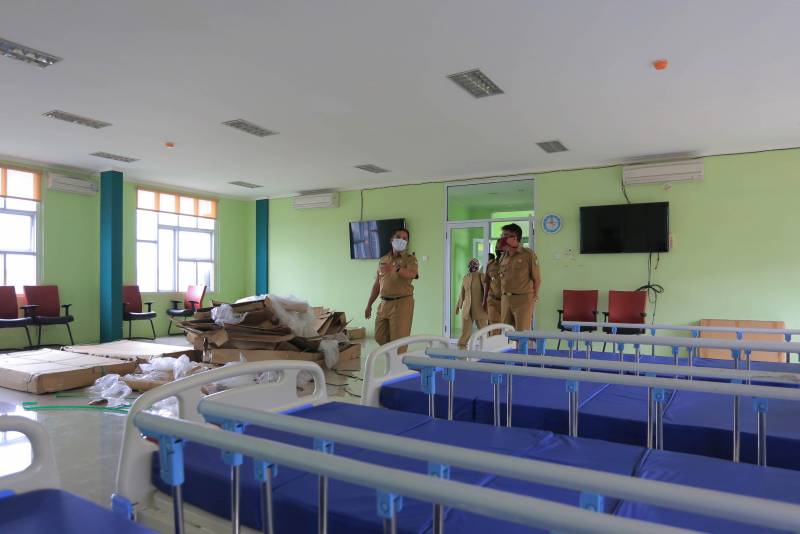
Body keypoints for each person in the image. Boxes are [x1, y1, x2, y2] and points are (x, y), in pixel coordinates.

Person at [365, 228, 418, 352]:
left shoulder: (410, 259)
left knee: (399, 343)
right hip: (384, 304)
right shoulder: (383, 260)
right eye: (398, 237)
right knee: (379, 337)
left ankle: (399, 360)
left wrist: (396, 268)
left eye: (404, 238)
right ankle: (395, 356)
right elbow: (377, 284)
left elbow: (413, 274)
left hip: (402, 304)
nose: (401, 240)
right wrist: (369, 305)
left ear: (407, 242)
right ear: (392, 240)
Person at [498, 223, 541, 331]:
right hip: (506, 299)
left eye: (505, 235)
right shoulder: (503, 256)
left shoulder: (528, 254)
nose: (502, 238)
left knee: (522, 332)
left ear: (515, 238)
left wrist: (534, 298)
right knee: (506, 332)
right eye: (502, 235)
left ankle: (524, 344)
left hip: (523, 299)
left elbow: (537, 279)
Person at [455, 258, 488, 348]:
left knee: (484, 331)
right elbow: (462, 293)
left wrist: (487, 305)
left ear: (478, 266)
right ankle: (461, 347)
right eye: (471, 264)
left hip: (479, 308)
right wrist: (458, 306)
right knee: (465, 332)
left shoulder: (482, 276)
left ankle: (488, 347)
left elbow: (487, 291)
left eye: (474, 265)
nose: (472, 266)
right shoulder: (466, 277)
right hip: (467, 309)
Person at [482, 243, 504, 329]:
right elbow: (487, 283)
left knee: (510, 330)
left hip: (507, 301)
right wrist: (484, 301)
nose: (498, 249)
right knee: (494, 328)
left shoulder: (511, 264)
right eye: (497, 247)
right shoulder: (490, 264)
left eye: (501, 247)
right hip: (493, 301)